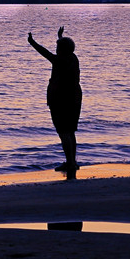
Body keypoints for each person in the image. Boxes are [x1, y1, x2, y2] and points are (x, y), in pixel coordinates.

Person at [28, 27, 82, 177]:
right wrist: (60, 36)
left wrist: (32, 42)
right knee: (70, 131)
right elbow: (62, 48)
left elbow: (45, 54)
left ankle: (70, 162)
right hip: (74, 98)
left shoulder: (60, 60)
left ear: (62, 50)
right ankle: (72, 161)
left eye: (58, 47)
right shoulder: (73, 58)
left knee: (63, 131)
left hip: (61, 99)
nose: (56, 48)